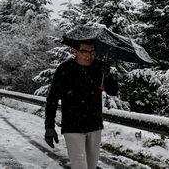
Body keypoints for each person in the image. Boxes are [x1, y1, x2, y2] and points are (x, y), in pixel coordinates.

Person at [44, 40, 118, 169]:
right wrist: (49, 127)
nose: (89, 56)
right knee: (80, 166)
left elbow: (113, 91)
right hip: (72, 126)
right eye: (84, 52)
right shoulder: (65, 69)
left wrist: (108, 76)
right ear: (76, 51)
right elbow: (52, 99)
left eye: (92, 52)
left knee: (91, 167)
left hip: (94, 125)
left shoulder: (99, 67)